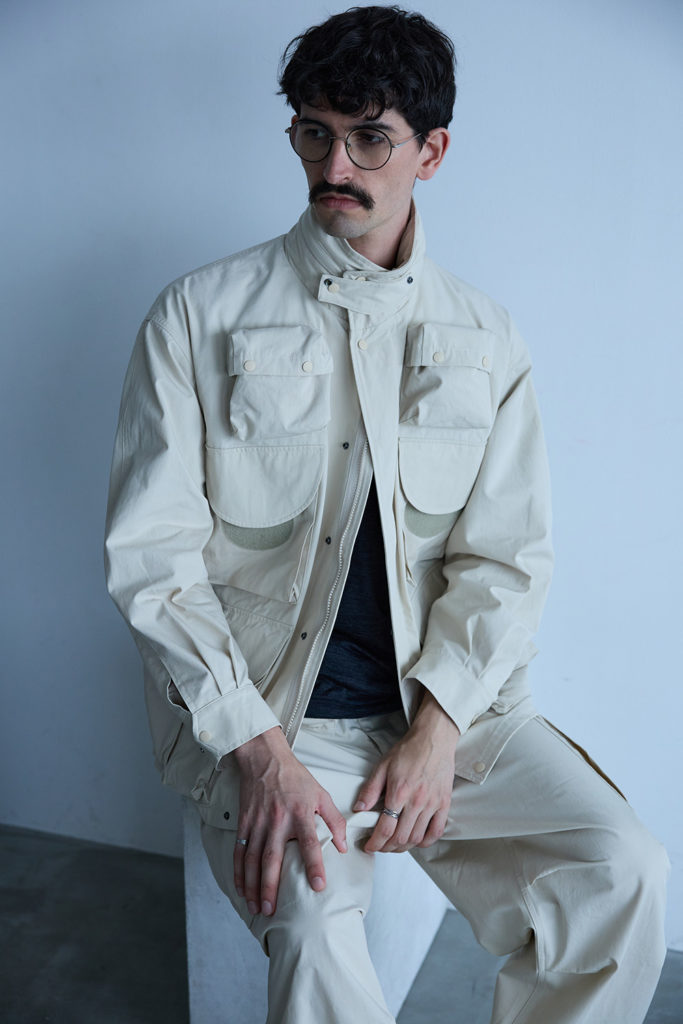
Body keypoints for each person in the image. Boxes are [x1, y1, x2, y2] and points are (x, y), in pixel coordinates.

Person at [105, 7, 668, 1022]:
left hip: (448, 714)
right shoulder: (196, 316)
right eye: (314, 133)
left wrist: (438, 729)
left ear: (430, 151)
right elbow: (154, 560)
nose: (335, 165)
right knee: (316, 936)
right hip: (281, 723)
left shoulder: (484, 337)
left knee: (619, 867)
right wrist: (258, 751)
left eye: (369, 137)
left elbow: (505, 560)